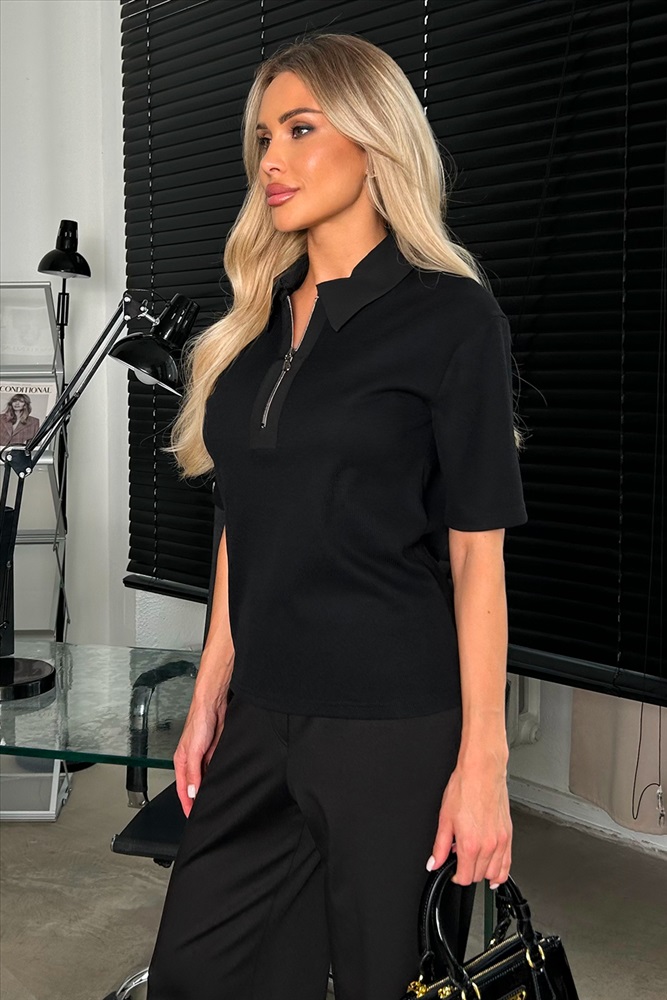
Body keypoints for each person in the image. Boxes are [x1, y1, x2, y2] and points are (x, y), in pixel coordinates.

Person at [147, 31, 527, 1000]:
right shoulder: (250, 327)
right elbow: (242, 519)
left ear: (373, 138)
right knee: (197, 971)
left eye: (300, 129)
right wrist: (210, 689)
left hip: (391, 724)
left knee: (374, 980)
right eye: (263, 137)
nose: (270, 160)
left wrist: (483, 764)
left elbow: (476, 556)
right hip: (261, 712)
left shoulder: (450, 319)